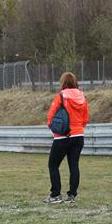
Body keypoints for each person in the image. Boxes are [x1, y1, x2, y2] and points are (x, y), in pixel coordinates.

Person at [45, 72, 89, 204]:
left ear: (63, 82)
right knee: (74, 165)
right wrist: (77, 126)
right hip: (78, 135)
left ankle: (55, 195)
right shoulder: (82, 96)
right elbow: (85, 119)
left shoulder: (61, 96)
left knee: (53, 165)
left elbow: (51, 116)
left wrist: (53, 127)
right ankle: (72, 196)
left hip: (63, 136)